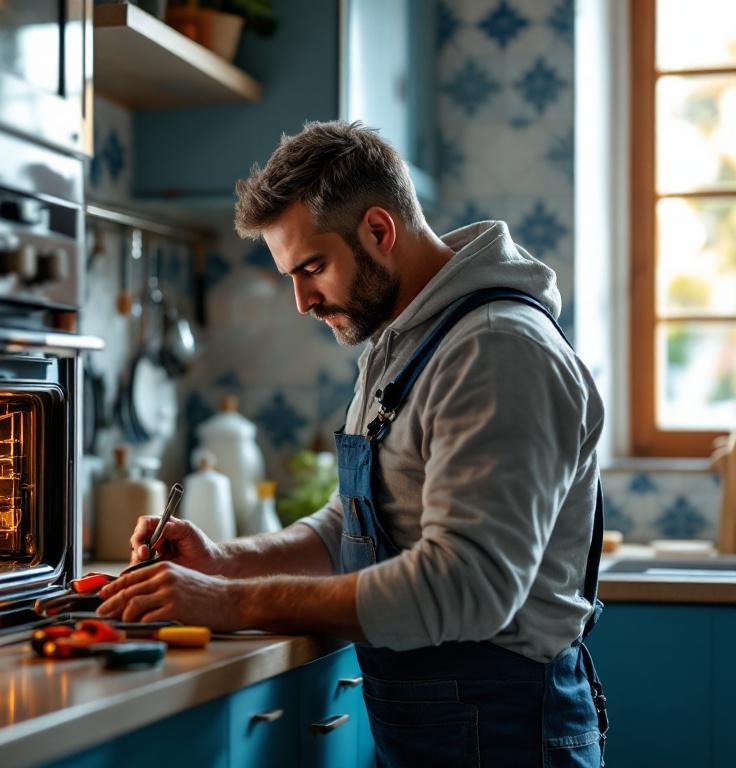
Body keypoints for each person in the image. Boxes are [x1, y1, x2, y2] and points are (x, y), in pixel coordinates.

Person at [97, 121, 608, 767]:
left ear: (378, 230)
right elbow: (359, 522)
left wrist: (232, 601)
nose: (303, 300)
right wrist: (225, 560)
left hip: (507, 732)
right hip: (439, 726)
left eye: (312, 267)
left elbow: (468, 586)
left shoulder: (496, 350)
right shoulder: (405, 341)